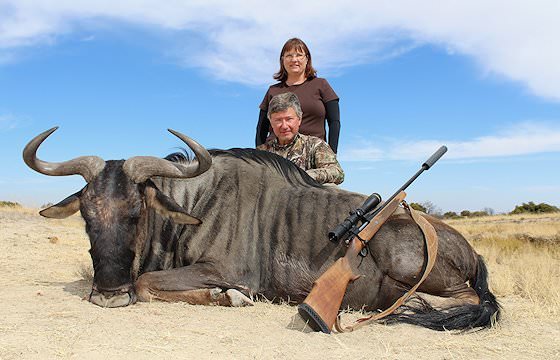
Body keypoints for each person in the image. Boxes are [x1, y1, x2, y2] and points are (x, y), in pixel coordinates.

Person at [256, 38, 340, 153]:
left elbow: (334, 122)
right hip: (276, 157)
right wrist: (260, 156)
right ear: (282, 60)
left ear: (307, 59)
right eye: (289, 56)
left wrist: (331, 153)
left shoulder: (321, 85)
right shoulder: (273, 90)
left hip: (312, 153)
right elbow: (261, 127)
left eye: (299, 55)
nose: (294, 59)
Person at [257, 92, 344, 185]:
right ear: (271, 122)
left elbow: (338, 173)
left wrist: (303, 176)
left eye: (289, 119)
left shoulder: (315, 145)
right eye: (278, 120)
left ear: (299, 119)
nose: (284, 126)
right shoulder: (261, 153)